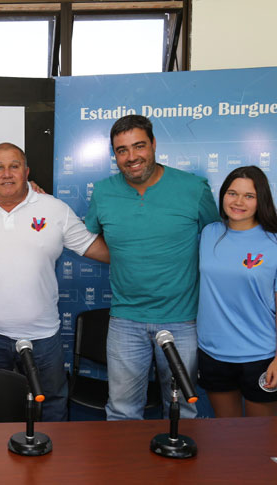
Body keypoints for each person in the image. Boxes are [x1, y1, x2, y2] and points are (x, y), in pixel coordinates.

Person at [0, 142, 109, 421]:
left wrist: (148, 252)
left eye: (14, 166)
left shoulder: (55, 209)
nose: (6, 174)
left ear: (26, 171)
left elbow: (97, 249)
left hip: (42, 335)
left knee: (52, 402)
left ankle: (50, 462)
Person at [85, 114, 220, 420]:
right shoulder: (103, 191)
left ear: (154, 144)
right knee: (121, 411)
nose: (131, 157)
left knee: (183, 410)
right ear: (114, 154)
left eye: (139, 146)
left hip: (181, 321)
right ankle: (127, 470)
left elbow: (216, 241)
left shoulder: (193, 188)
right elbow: (91, 236)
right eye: (122, 150)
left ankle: (181, 470)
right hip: (125, 320)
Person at [197, 166, 277, 416]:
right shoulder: (209, 233)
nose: (238, 201)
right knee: (226, 436)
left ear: (261, 200)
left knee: (258, 440)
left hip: (260, 355)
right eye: (232, 193)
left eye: (249, 196)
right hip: (213, 353)